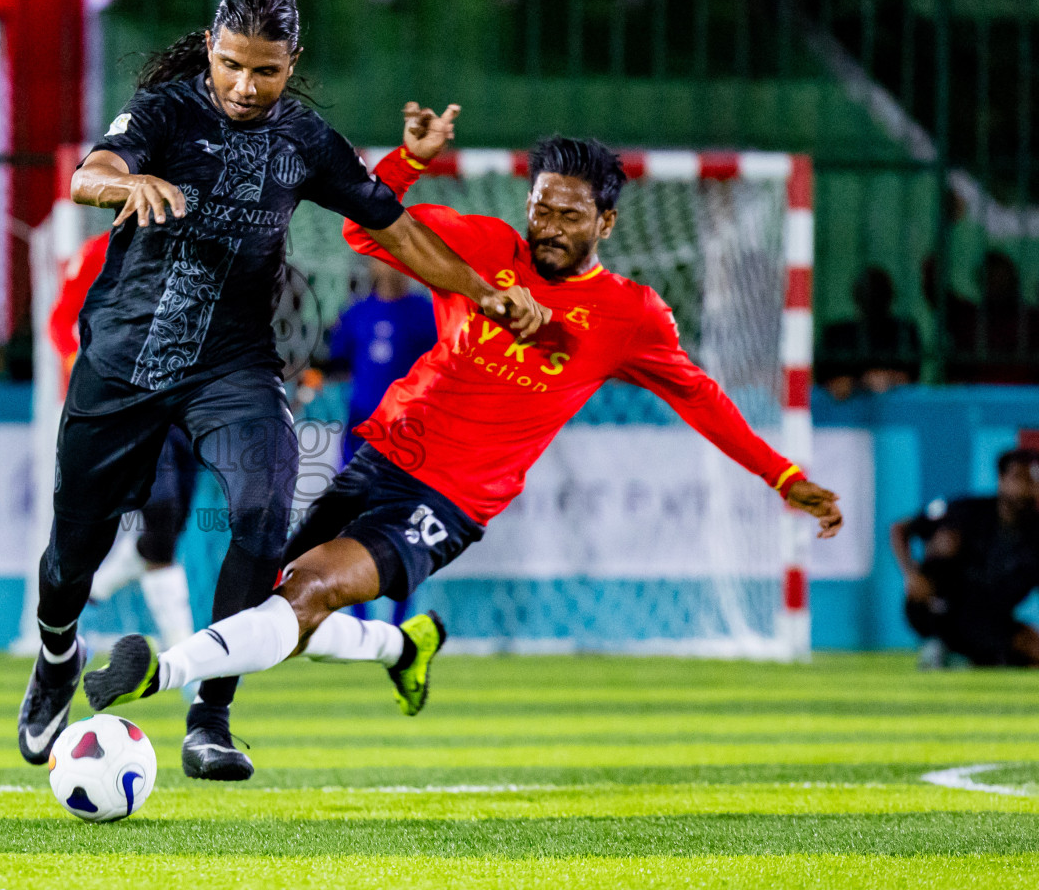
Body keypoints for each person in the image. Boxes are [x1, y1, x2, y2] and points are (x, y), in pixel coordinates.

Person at [83, 137, 844, 753]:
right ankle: (400, 649)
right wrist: (410, 161)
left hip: (449, 500)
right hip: (380, 456)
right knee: (277, 606)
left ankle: (163, 673)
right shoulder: (482, 248)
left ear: (606, 225)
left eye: (570, 216)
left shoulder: (630, 316)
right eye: (542, 209)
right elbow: (362, 228)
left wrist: (782, 475)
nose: (549, 226)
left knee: (307, 592)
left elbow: (700, 398)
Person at [17, 0, 544, 781]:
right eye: (230, 65)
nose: (244, 86)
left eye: (265, 71)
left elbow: (395, 229)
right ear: (210, 45)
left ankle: (212, 719)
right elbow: (89, 174)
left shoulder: (304, 138)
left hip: (232, 365)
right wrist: (128, 183)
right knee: (72, 555)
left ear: (291, 63)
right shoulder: (163, 111)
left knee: (266, 503)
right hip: (125, 362)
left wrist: (483, 292)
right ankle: (58, 659)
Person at [48, 232, 198, 649]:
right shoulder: (97, 252)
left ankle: (107, 580)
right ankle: (183, 650)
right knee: (162, 508)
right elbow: (62, 320)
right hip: (126, 401)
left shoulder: (193, 242)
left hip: (183, 394)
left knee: (171, 522)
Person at [324, 257, 437, 624]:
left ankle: (400, 623)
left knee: (408, 525)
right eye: (382, 259)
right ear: (370, 266)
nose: (392, 267)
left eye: (398, 260)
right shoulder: (356, 314)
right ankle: (359, 619)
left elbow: (442, 366)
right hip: (360, 434)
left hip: (409, 436)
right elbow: (335, 363)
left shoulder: (425, 314)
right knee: (351, 520)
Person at [890, 448, 1039, 669]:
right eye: (1019, 478)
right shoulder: (965, 511)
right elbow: (901, 528)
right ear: (1001, 479)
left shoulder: (1035, 532)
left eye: (1034, 479)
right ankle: (947, 645)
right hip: (944, 608)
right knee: (944, 543)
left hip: (992, 615)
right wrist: (911, 574)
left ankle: (962, 657)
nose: (1026, 487)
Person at [819, 266, 920, 399]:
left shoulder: (904, 332)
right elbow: (824, 378)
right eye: (869, 292)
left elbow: (913, 376)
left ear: (889, 296)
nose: (874, 299)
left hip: (896, 412)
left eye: (879, 293)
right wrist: (855, 382)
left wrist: (890, 378)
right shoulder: (837, 335)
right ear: (856, 295)